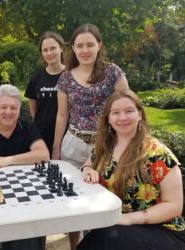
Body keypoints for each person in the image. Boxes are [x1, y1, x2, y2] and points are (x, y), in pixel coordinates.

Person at [78, 90, 185, 250]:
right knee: (95, 240)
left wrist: (129, 219)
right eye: (116, 112)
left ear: (140, 115)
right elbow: (87, 164)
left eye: (129, 111)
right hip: (118, 226)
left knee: (102, 240)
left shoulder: (158, 154)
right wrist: (88, 170)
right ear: (108, 119)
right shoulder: (106, 147)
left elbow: (174, 206)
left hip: (162, 230)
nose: (122, 118)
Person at [52, 23, 129, 249]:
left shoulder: (113, 72)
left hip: (106, 145)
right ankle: (75, 244)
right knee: (71, 199)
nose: (85, 50)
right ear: (73, 49)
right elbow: (61, 115)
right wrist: (56, 148)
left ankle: (98, 244)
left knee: (102, 199)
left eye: (89, 44)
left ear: (99, 46)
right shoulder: (65, 78)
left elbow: (128, 107)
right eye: (79, 45)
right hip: (73, 145)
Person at [0, 84, 50, 250]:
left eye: (13, 107)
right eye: (3, 107)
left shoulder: (28, 127)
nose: (8, 112)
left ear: (19, 109)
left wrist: (7, 160)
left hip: (27, 194)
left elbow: (44, 155)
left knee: (30, 236)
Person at [25, 31, 65, 156]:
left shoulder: (71, 76)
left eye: (53, 48)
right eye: (45, 50)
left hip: (66, 137)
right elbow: (33, 109)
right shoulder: (36, 79)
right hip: (41, 136)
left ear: (61, 48)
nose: (49, 53)